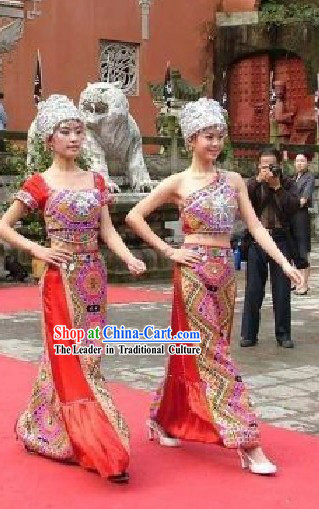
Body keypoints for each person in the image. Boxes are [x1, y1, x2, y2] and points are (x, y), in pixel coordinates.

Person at [125, 98, 301, 475]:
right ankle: (247, 440)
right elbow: (134, 215)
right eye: (208, 136)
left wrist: (286, 264)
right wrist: (169, 251)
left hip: (225, 274)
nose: (215, 143)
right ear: (191, 139)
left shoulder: (234, 180)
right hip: (191, 270)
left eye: (220, 136)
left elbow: (254, 228)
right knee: (215, 354)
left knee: (195, 350)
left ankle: (163, 418)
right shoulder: (178, 182)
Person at [0, 94, 145, 483]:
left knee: (89, 356)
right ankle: (100, 443)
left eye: (79, 130)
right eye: (66, 131)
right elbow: (3, 227)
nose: (75, 137)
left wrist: (128, 257)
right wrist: (39, 248)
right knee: (69, 357)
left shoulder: (96, 180)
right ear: (49, 139)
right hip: (58, 280)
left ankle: (50, 426)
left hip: (94, 278)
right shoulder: (39, 183)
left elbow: (107, 229)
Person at [241, 149, 300, 348]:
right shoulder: (252, 184)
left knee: (282, 290)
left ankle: (283, 334)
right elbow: (243, 202)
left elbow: (293, 207)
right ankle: (249, 334)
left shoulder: (288, 183)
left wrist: (277, 188)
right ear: (259, 166)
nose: (268, 170)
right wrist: (259, 181)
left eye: (272, 166)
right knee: (253, 290)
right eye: (264, 166)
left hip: (281, 240)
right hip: (257, 242)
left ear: (279, 166)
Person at [290, 153, 315, 295]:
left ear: (307, 162)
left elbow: (303, 199)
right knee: (293, 248)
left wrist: (289, 204)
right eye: (297, 160)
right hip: (291, 216)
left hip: (301, 215)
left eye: (302, 160)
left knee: (302, 248)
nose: (299, 163)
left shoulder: (309, 177)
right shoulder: (293, 178)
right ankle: (297, 281)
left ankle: (304, 284)